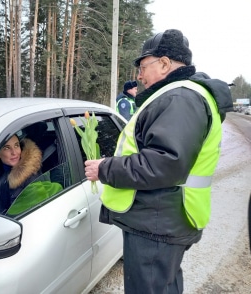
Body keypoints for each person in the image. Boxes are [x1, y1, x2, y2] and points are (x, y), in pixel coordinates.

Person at [84, 29, 233, 293]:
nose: (139, 76)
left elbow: (164, 163)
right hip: (164, 218)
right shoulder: (181, 96)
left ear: (164, 63)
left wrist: (105, 168)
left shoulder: (179, 98)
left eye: (142, 67)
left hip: (157, 222)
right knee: (164, 285)